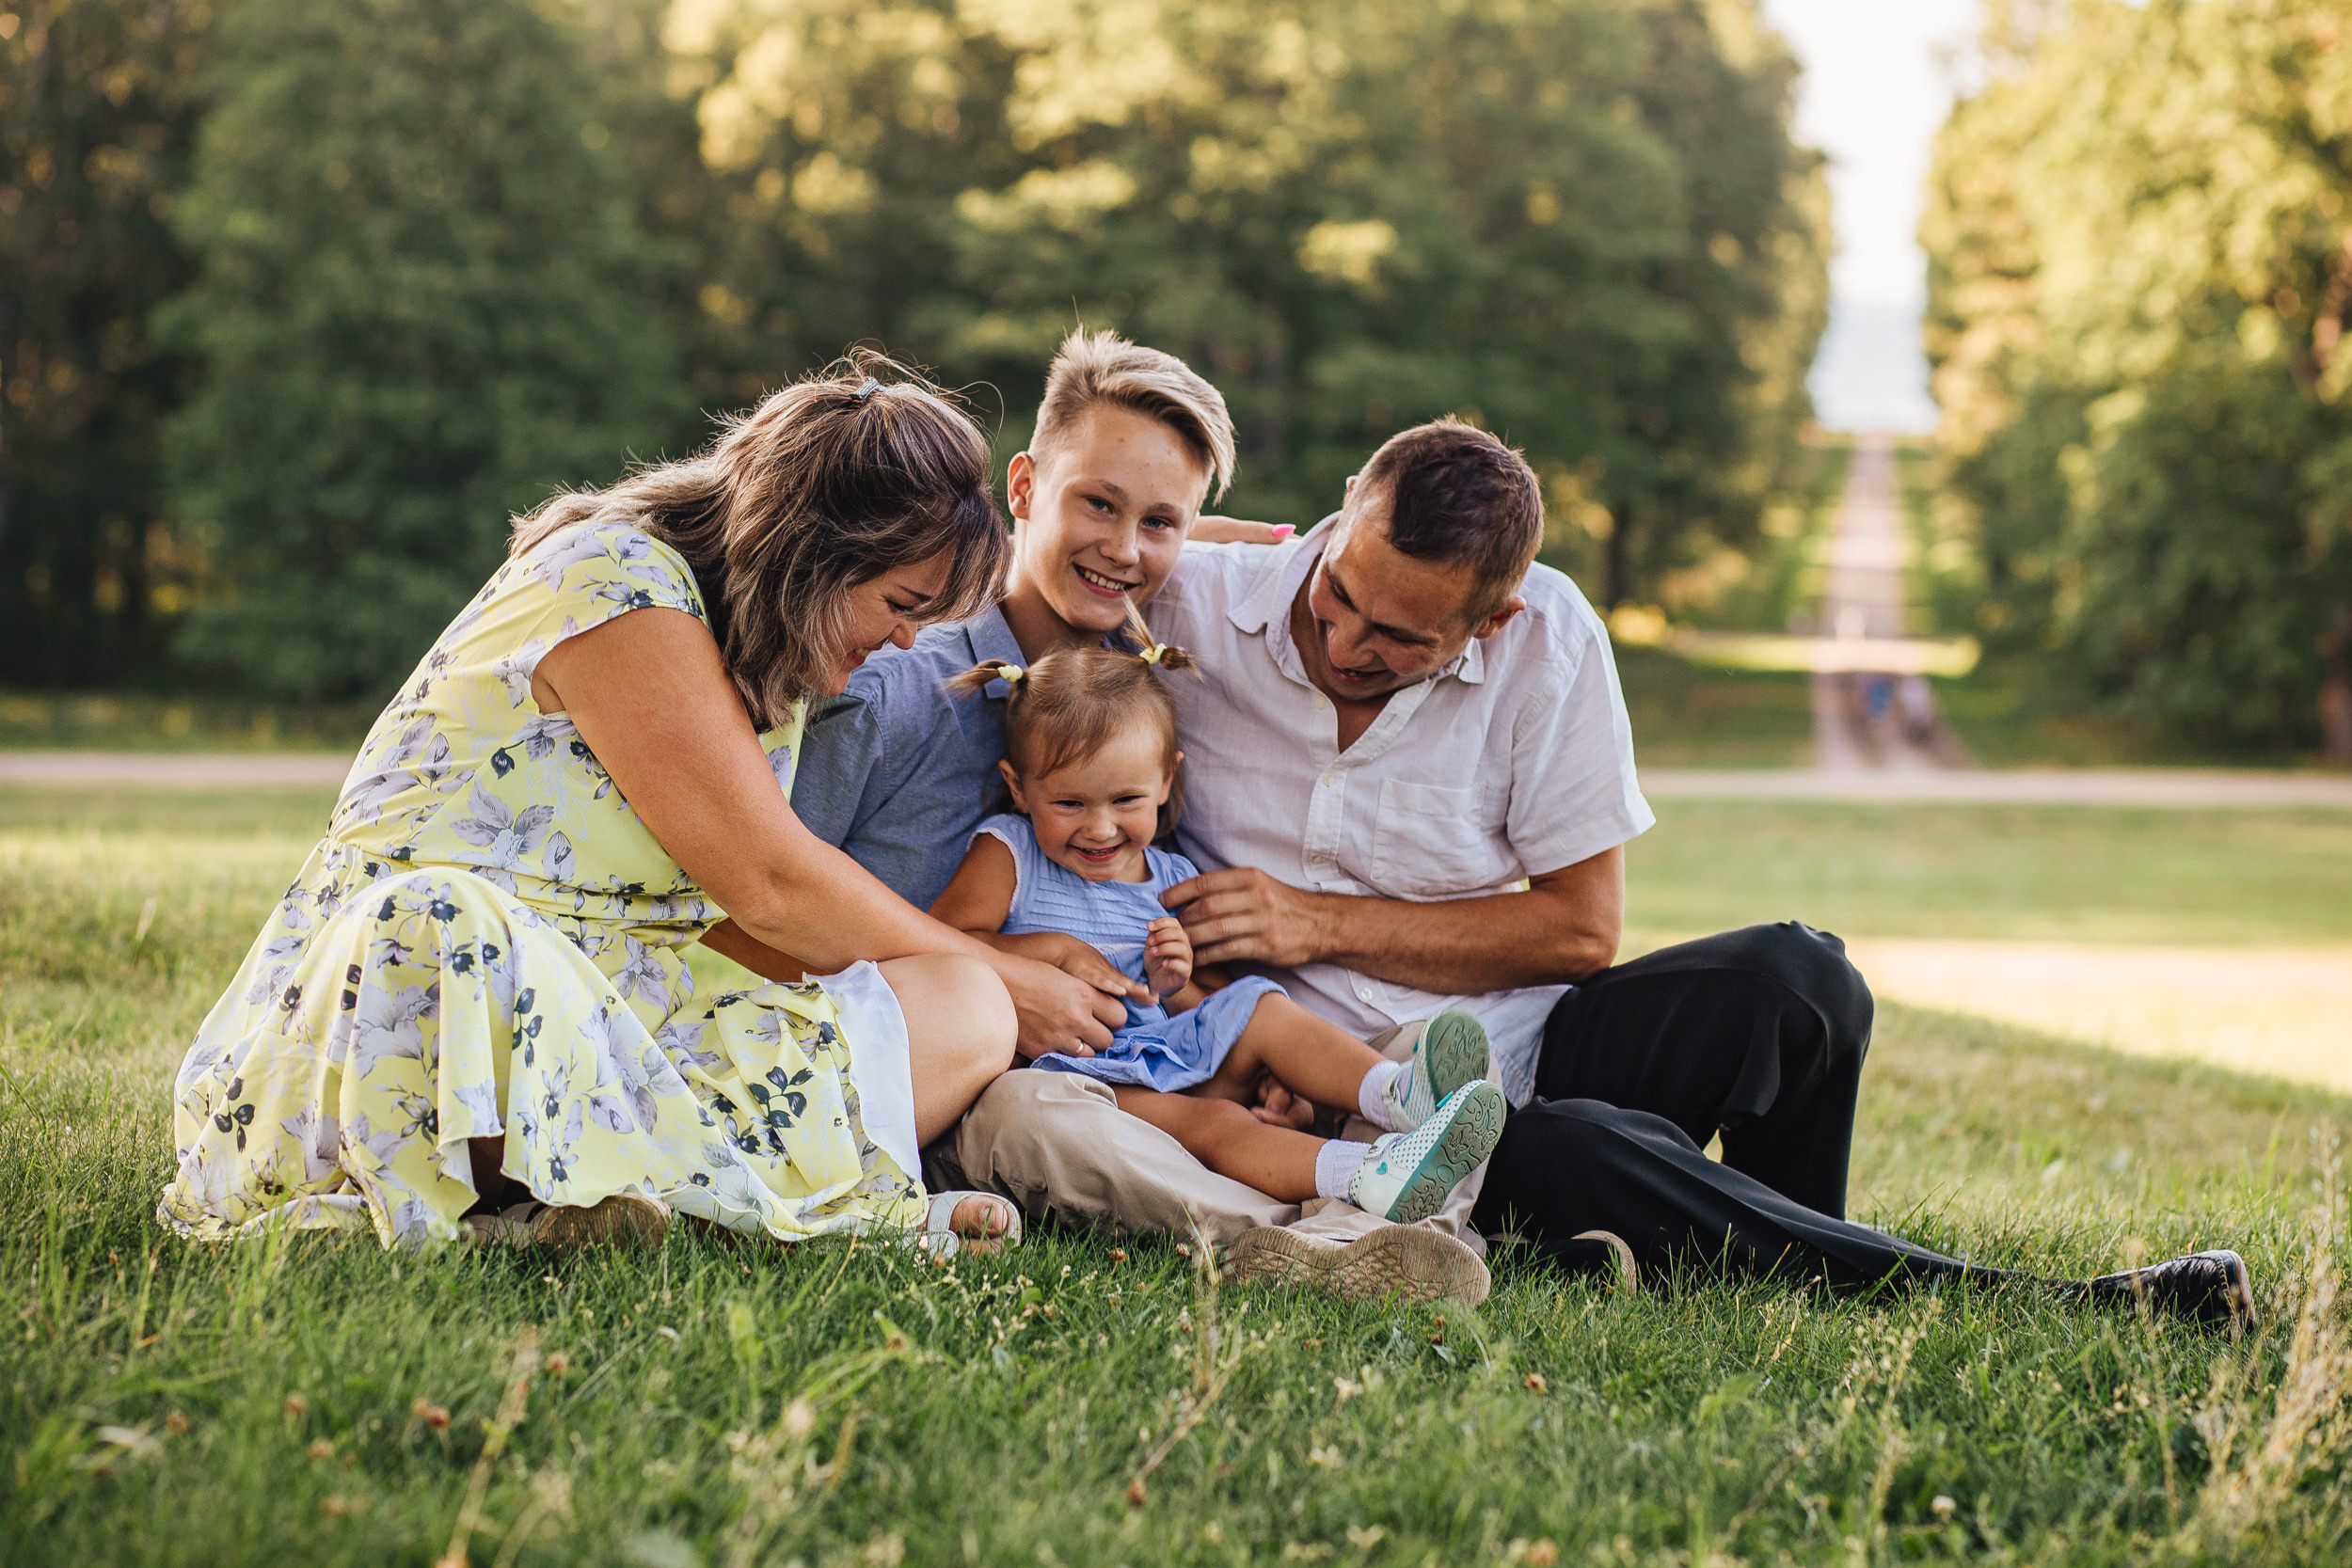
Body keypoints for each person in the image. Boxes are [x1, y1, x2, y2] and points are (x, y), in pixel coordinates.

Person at [155, 357, 1105, 1255]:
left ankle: (622, 1200)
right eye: (899, 603)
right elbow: (770, 884)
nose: (904, 642)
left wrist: (982, 974)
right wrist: (997, 960)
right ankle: (734, 1200)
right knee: (440, 923)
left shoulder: (755, 657)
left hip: (618, 1008)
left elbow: (727, 933)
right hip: (431, 991)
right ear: (817, 552)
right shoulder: (615, 580)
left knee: (962, 1005)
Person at [926, 630, 1505, 1223]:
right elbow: (943, 945)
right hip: (1079, 1073)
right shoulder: (1011, 850)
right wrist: (1050, 949)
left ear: (1166, 782)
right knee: (1216, 1126)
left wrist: (1172, 976)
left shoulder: (1169, 876)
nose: (1100, 829)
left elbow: (1200, 1003)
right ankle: (1363, 1175)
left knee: (1259, 1005)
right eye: (1070, 804)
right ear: (1019, 787)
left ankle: (1393, 1095)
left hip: (1168, 1050)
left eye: (1126, 800)